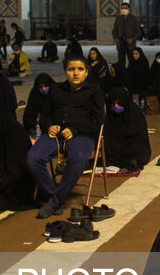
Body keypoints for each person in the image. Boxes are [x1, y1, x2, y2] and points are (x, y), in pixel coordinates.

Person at [27, 55, 105, 219]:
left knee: (78, 159)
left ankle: (54, 202)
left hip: (81, 135)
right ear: (65, 72)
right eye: (71, 69)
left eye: (80, 69)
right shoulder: (55, 89)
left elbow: (98, 121)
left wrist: (75, 130)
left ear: (86, 72)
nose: (75, 73)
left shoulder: (94, 91)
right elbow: (45, 114)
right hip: (55, 135)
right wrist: (49, 126)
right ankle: (54, 195)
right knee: (33, 157)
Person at [104, 86, 151, 172]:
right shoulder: (107, 115)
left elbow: (140, 138)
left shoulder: (135, 114)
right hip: (113, 148)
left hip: (131, 146)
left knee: (139, 151)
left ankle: (132, 161)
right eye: (113, 103)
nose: (116, 106)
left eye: (119, 103)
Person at [112, 2, 139, 80]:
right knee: (121, 62)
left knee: (132, 61)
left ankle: (132, 77)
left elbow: (138, 32)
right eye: (122, 8)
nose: (124, 10)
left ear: (128, 9)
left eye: (125, 8)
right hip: (121, 43)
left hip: (130, 44)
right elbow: (114, 30)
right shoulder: (118, 18)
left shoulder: (133, 18)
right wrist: (115, 38)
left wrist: (132, 39)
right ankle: (122, 77)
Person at [22, 73, 55, 138]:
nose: (43, 89)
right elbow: (29, 114)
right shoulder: (35, 95)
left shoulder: (55, 95)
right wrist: (31, 127)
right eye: (41, 87)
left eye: (46, 86)